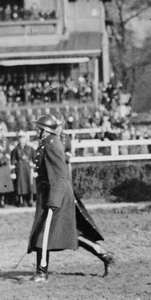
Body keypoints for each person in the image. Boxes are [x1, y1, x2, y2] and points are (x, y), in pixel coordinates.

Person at [25, 114, 115, 283]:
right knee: (70, 233)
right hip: (50, 195)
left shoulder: (52, 144)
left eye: (39, 127)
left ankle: (42, 272)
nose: (36, 130)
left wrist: (54, 201)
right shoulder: (46, 143)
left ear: (45, 130)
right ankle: (105, 255)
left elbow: (59, 175)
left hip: (56, 196)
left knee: (43, 234)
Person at [11, 131, 37, 207]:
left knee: (30, 184)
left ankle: (30, 200)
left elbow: (35, 159)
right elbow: (13, 161)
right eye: (20, 138)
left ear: (26, 139)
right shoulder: (15, 149)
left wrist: (34, 169)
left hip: (28, 168)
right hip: (20, 168)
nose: (21, 140)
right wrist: (13, 171)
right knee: (20, 185)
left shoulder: (30, 148)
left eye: (23, 138)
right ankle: (21, 200)